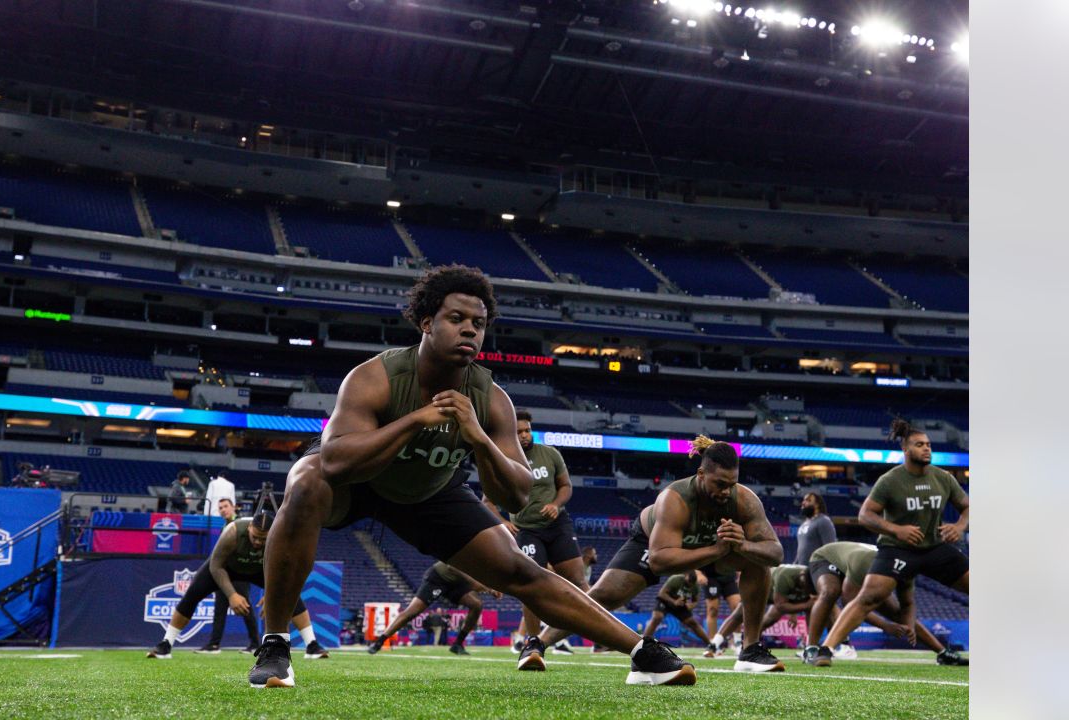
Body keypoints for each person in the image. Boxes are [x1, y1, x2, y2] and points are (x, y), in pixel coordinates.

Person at [250, 265, 693, 689]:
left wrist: (479, 439)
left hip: (428, 491)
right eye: (456, 318)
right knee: (305, 480)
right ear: (426, 322)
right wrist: (415, 421)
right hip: (359, 479)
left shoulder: (490, 399)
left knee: (521, 569)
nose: (469, 330)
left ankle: (641, 653)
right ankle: (276, 645)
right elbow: (335, 462)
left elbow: (521, 496)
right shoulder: (375, 377)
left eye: (478, 324)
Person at [532, 436, 783, 674]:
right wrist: (715, 550)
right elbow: (659, 561)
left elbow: (775, 553)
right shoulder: (675, 499)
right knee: (605, 596)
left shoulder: (745, 500)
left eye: (732, 484)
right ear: (701, 474)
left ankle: (750, 650)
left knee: (758, 562)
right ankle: (538, 643)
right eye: (720, 484)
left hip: (712, 547)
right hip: (654, 543)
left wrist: (744, 546)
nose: (726, 491)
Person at [812, 420, 969, 666]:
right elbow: (865, 515)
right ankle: (825, 650)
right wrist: (897, 529)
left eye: (928, 445)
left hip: (935, 548)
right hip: (898, 548)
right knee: (868, 598)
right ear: (906, 450)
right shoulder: (890, 480)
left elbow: (967, 507)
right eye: (920, 445)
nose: (926, 449)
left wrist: (959, 527)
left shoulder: (943, 478)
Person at [146, 510, 328, 661]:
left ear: (272, 533)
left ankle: (312, 645)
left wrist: (273, 593)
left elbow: (287, 571)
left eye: (263, 540)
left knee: (291, 595)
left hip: (260, 570)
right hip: (226, 568)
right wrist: (232, 594)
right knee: (192, 595)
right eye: (255, 537)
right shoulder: (232, 531)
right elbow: (215, 566)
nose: (258, 542)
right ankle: (166, 644)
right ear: (249, 528)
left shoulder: (280, 538)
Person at [482, 410, 587, 655]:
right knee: (531, 585)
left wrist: (556, 504)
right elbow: (487, 501)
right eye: (519, 431)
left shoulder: (550, 453)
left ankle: (580, 636)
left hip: (558, 524)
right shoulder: (503, 458)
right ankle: (532, 643)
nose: (525, 435)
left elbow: (566, 486)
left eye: (527, 430)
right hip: (527, 530)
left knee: (580, 583)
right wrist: (502, 522)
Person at [803, 541, 966, 666]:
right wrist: (885, 626)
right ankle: (811, 648)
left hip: (865, 567)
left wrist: (908, 625)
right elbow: (850, 602)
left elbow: (907, 605)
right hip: (825, 558)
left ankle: (943, 653)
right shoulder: (864, 563)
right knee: (830, 591)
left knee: (896, 612)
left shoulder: (905, 571)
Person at [367, 561, 502, 656]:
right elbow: (452, 566)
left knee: (476, 604)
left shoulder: (486, 553)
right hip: (440, 576)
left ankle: (458, 644)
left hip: (457, 582)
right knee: (412, 612)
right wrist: (476, 584)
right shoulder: (471, 545)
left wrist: (492, 588)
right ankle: (380, 641)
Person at [705, 564, 815, 655]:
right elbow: (780, 605)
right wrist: (806, 605)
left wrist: (795, 611)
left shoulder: (810, 579)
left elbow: (801, 599)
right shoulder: (785, 576)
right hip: (760, 587)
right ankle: (714, 644)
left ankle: (810, 647)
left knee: (769, 621)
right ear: (801, 577)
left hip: (779, 595)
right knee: (739, 614)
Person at [196, 497, 260, 654]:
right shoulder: (225, 526)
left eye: (226, 506)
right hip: (224, 573)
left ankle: (256, 644)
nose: (223, 509)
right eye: (220, 507)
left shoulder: (242, 525)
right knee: (219, 608)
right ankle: (214, 644)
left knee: (246, 607)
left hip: (239, 572)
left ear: (234, 508)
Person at [641, 571, 712, 647]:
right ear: (685, 576)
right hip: (666, 601)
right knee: (657, 617)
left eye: (692, 583)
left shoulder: (696, 586)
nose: (690, 584)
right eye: (689, 582)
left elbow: (695, 601)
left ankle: (711, 645)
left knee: (692, 622)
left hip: (680, 604)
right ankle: (643, 642)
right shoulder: (675, 579)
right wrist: (674, 601)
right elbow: (661, 593)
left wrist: (690, 606)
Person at [698, 567, 742, 657]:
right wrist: (698, 573)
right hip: (711, 577)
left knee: (737, 607)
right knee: (712, 610)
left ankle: (738, 643)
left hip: (729, 577)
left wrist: (739, 573)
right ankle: (713, 644)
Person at [795, 492, 837, 565]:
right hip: (802, 568)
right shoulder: (803, 525)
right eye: (803, 500)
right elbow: (800, 551)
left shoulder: (823, 521)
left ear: (817, 505)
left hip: (817, 569)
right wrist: (795, 564)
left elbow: (830, 548)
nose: (803, 503)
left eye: (808, 500)